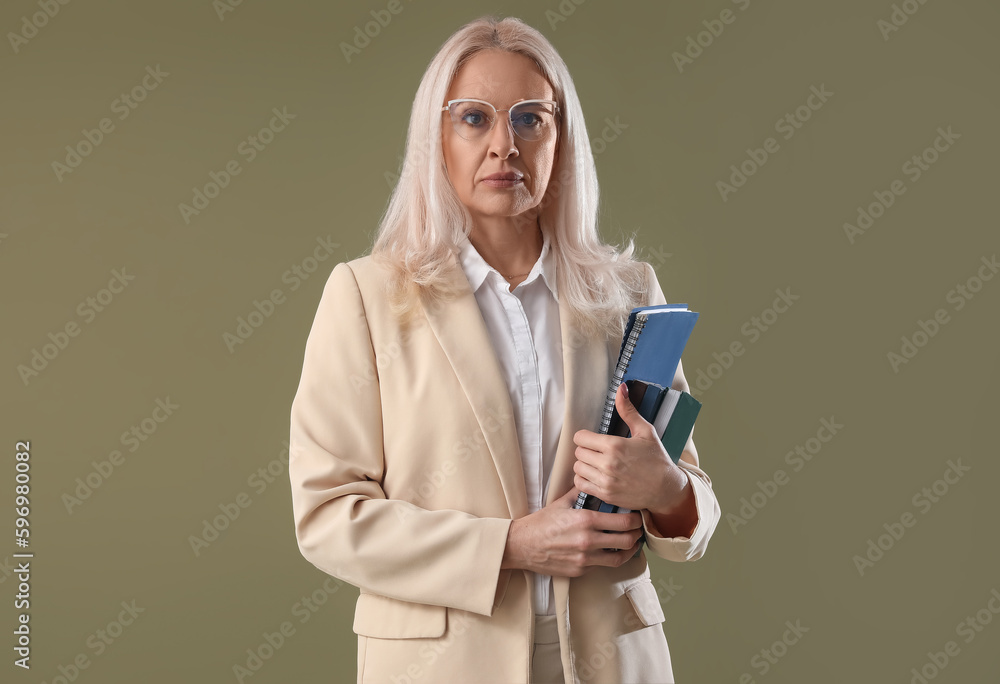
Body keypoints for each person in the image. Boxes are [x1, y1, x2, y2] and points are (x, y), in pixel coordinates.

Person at [287, 15, 721, 684]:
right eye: (473, 119)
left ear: (561, 138)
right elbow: (327, 516)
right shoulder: (365, 297)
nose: (503, 146)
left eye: (529, 119)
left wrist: (665, 488)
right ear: (437, 137)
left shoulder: (627, 292)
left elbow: (693, 507)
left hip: (615, 660)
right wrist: (511, 546)